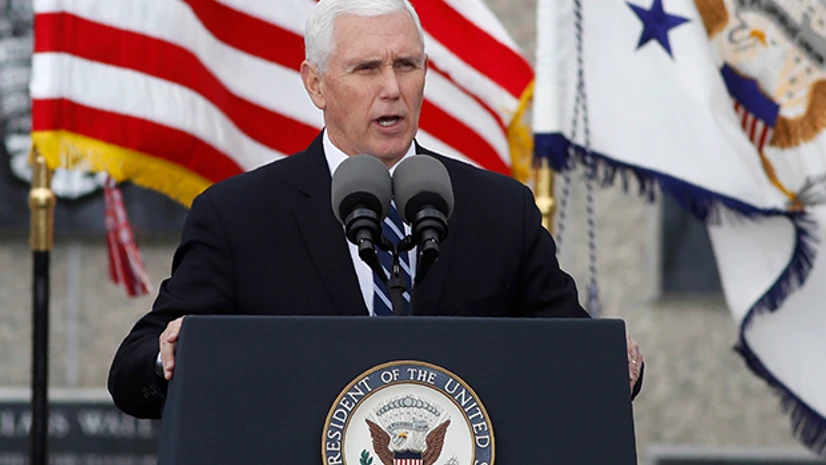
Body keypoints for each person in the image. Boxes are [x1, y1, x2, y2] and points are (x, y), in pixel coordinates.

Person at [108, 0, 644, 420]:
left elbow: (572, 349)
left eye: (407, 65)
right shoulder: (238, 216)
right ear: (315, 84)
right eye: (366, 69)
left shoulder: (501, 210)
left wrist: (617, 366)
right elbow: (133, 370)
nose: (392, 89)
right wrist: (167, 355)